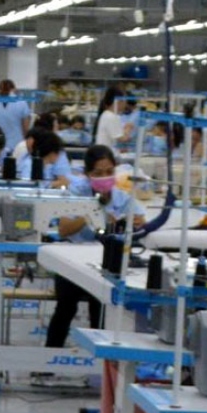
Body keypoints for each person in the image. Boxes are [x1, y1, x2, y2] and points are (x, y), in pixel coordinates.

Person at [45, 145, 145, 348]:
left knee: (100, 306)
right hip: (72, 258)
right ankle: (49, 356)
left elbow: (140, 222)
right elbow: (64, 229)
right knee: (66, 306)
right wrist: (89, 214)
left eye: (109, 172)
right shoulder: (76, 193)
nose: (104, 177)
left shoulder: (122, 197)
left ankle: (98, 360)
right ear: (87, 174)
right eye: (98, 173)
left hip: (104, 260)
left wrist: (131, 222)